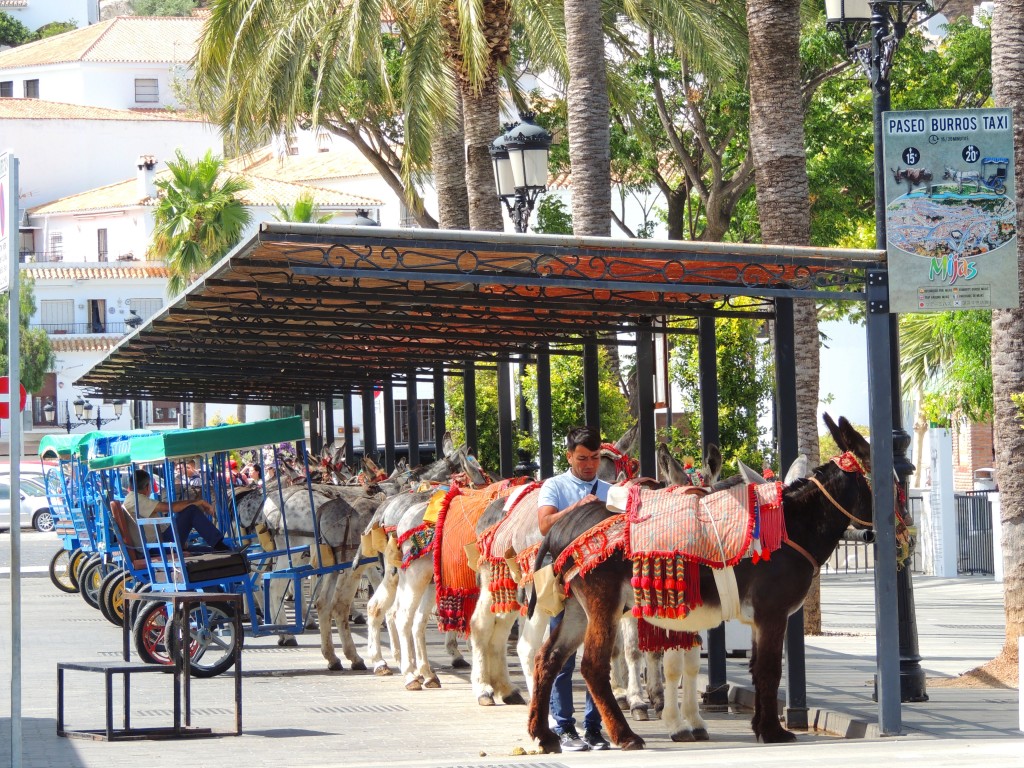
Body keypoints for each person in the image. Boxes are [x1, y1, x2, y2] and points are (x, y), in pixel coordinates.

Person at [537, 425, 612, 752]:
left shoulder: (612, 490)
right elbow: (544, 524)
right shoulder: (554, 486)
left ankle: (594, 728)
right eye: (582, 458)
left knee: (600, 657)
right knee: (563, 657)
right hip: (566, 583)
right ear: (569, 456)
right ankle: (564, 726)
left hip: (604, 589)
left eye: (594, 458)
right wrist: (580, 509)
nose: (589, 464)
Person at [123, 468, 232, 552]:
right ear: (147, 487)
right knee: (191, 510)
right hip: (158, 547)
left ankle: (222, 550)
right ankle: (219, 544)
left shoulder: (131, 499)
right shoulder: (136, 499)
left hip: (158, 543)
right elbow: (171, 508)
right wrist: (200, 502)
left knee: (211, 552)